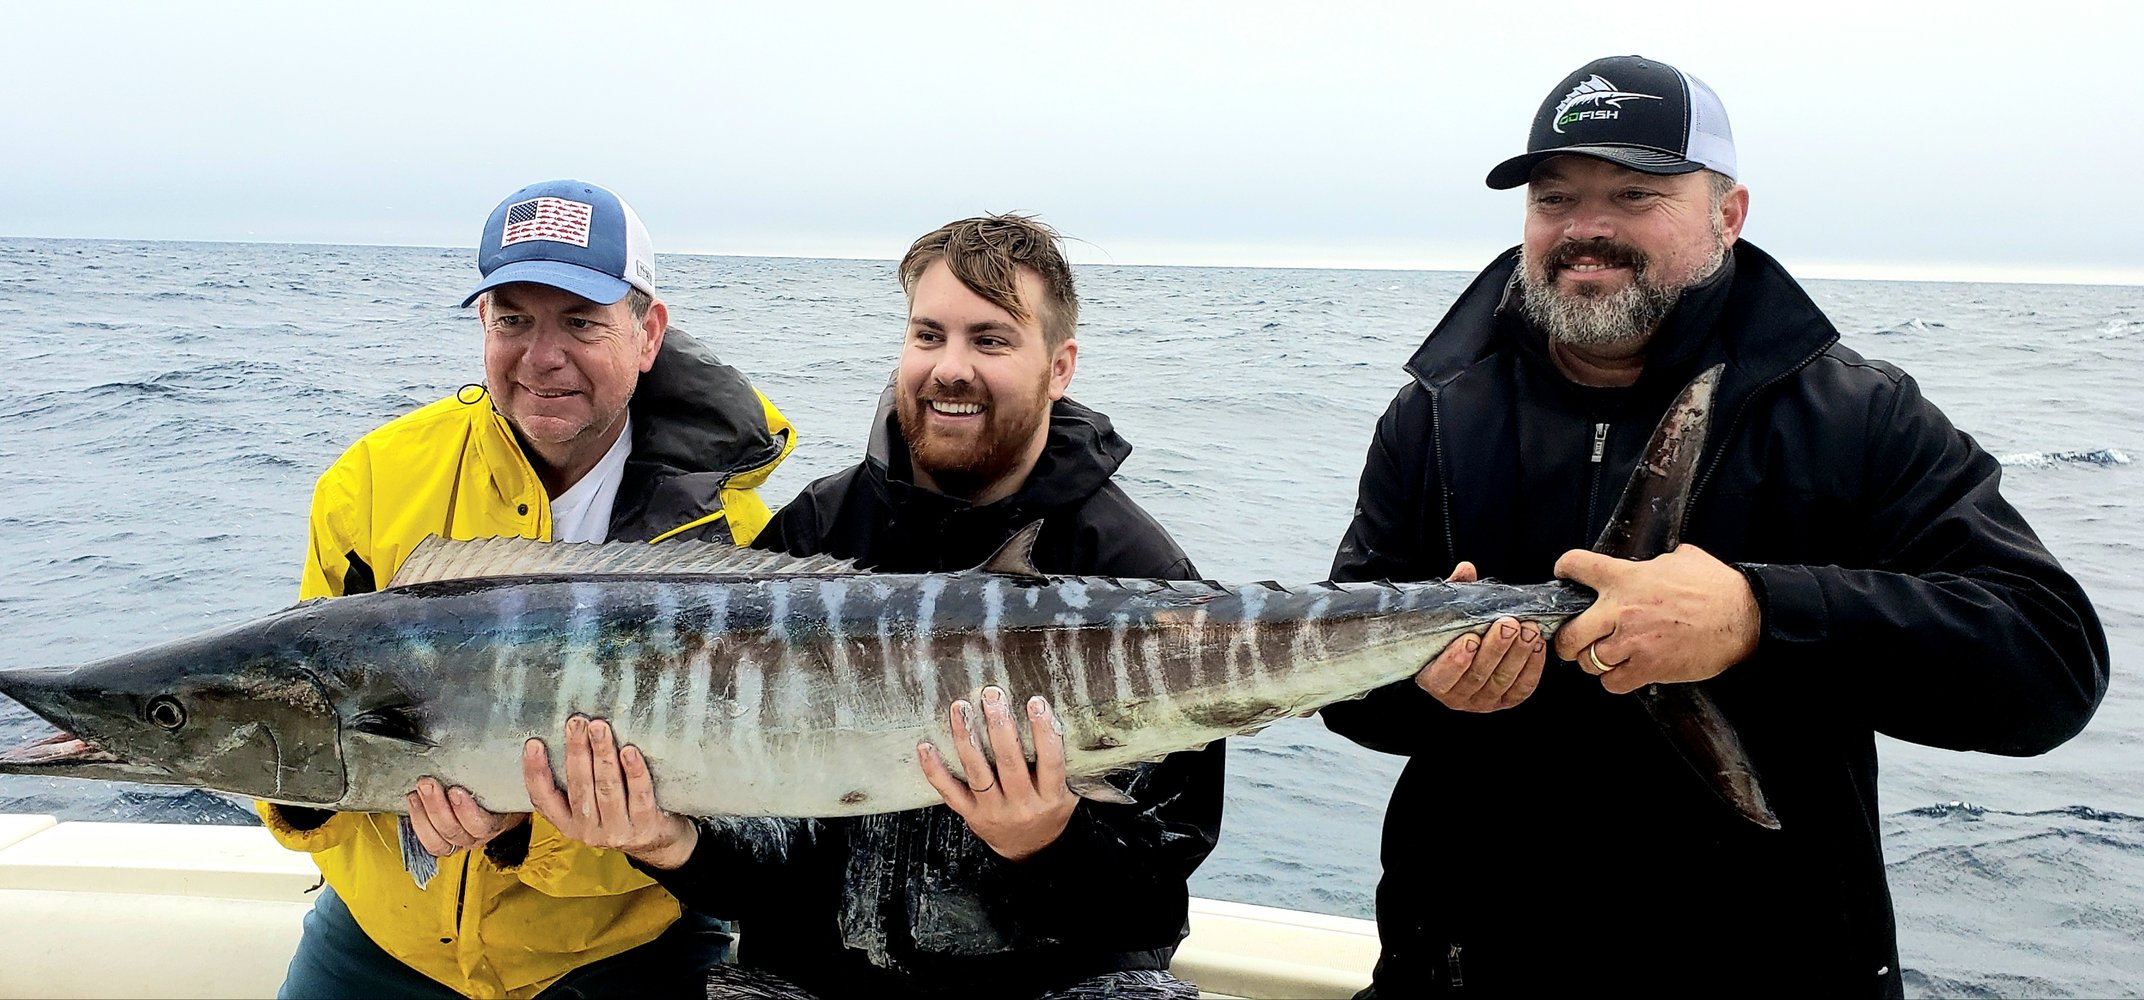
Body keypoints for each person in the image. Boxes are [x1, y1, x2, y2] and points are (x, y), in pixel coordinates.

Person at [1320, 56, 2108, 996]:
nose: (1585, 229)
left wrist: (1760, 619)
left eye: (1635, 193)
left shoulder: (1859, 415)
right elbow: (1349, 696)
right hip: (1460, 968)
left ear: (1727, 214)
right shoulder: (1434, 415)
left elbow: (2050, 663)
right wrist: (1428, 686)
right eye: (1554, 197)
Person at [521, 214, 1224, 999]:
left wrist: (1048, 841)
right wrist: (665, 841)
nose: (949, 368)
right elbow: (759, 870)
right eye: (929, 335)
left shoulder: (1133, 573)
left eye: (989, 340)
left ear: (1059, 367)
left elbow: (1149, 905)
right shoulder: (813, 538)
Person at [260, 179, 797, 998]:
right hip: (385, 932)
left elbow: (728, 806)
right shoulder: (373, 480)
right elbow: (294, 697)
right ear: (483, 325)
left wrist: (518, 828)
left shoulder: (731, 538)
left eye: (581, 322)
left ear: (648, 332)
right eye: (513, 319)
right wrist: (296, 803)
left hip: (620, 943)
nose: (542, 357)